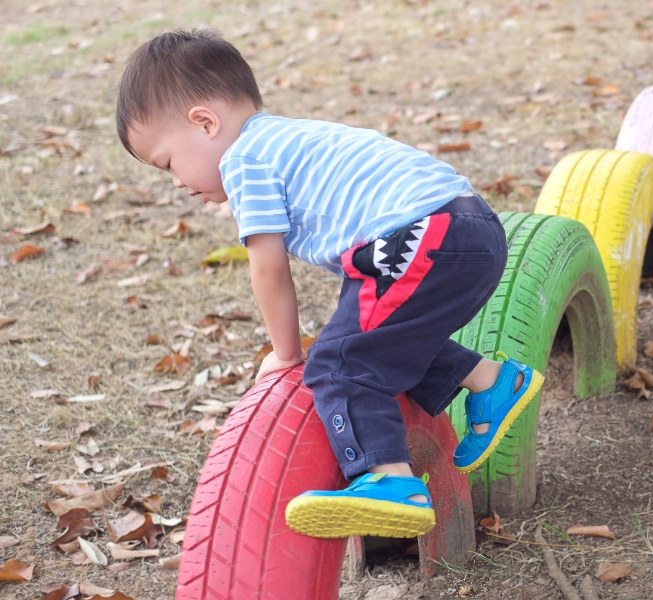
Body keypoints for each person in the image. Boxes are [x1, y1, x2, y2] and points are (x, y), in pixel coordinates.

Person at [116, 29, 543, 539]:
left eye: (168, 163)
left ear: (205, 122)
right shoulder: (286, 139)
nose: (177, 183)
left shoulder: (244, 161)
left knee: (340, 360)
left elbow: (268, 267)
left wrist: (286, 352)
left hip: (418, 237)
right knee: (378, 339)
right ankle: (490, 381)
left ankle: (388, 479)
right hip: (468, 228)